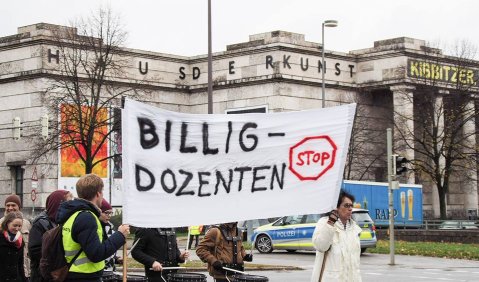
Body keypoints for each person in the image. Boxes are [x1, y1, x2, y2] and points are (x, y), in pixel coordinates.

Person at [56, 174, 130, 282]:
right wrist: (119, 235)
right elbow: (96, 254)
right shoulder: (87, 217)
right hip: (84, 276)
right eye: (102, 192)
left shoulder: (74, 214)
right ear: (98, 194)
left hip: (75, 274)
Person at [310, 190, 362, 282]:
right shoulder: (324, 223)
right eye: (346, 205)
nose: (350, 209)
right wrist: (330, 224)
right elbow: (320, 246)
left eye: (351, 205)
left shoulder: (354, 229)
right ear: (336, 208)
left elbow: (355, 265)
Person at [28, 190, 73, 282]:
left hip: (58, 275)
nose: (70, 206)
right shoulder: (40, 223)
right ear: (58, 204)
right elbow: (35, 250)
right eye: (68, 203)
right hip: (42, 276)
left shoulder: (63, 222)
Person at [0, 194, 32, 280]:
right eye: (8, 205)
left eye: (13, 205)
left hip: (23, 270)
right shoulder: (0, 223)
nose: (10, 208)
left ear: (19, 207)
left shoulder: (27, 224)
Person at [0, 211, 27, 281]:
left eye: (19, 226)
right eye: (14, 225)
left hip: (15, 278)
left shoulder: (20, 240)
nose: (17, 228)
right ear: (7, 223)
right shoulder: (1, 237)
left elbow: (20, 264)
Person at [99, 198, 123, 271]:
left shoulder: (110, 229)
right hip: (99, 272)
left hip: (110, 272)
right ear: (99, 212)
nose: (109, 216)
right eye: (106, 213)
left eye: (110, 213)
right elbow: (98, 252)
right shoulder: (94, 228)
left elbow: (108, 250)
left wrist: (116, 259)